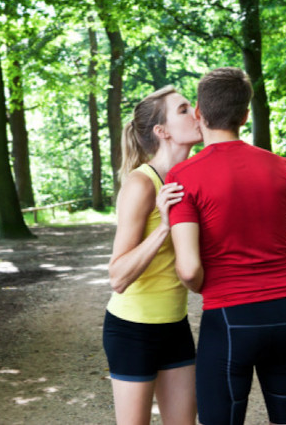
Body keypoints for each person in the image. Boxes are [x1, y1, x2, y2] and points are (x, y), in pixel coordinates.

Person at [167, 67, 286, 425]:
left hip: (228, 318)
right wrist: (270, 258)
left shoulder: (183, 176)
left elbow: (189, 269)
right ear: (244, 116)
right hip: (284, 314)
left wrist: (207, 279)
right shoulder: (282, 168)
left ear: (199, 112)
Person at [103, 85, 202, 425]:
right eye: (184, 109)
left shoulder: (190, 179)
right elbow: (117, 277)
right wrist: (164, 227)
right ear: (162, 131)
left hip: (175, 326)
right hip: (132, 330)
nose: (195, 113)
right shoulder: (141, 183)